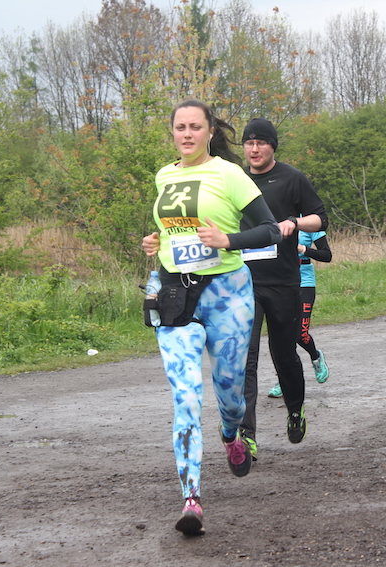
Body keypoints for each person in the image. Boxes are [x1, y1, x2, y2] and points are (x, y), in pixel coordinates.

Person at [141, 100, 281, 535]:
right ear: (172, 132)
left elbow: (270, 230)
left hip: (227, 294)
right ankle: (192, 499)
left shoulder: (229, 174)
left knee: (230, 395)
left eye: (195, 127)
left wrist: (228, 240)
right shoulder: (164, 176)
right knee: (186, 398)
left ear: (209, 132)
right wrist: (156, 242)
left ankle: (231, 433)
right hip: (176, 295)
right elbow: (174, 232)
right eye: (180, 127)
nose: (186, 134)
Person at [239, 118, 329, 457]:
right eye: (249, 143)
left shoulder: (292, 178)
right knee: (245, 359)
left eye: (261, 142)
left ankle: (295, 409)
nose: (255, 149)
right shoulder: (236, 179)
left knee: (284, 355)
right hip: (244, 282)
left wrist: (294, 222)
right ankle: (246, 434)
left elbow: (320, 218)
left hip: (283, 281)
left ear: (272, 146)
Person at [267, 229, 333, 398]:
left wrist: (303, 249)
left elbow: (327, 255)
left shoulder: (311, 224)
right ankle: (284, 380)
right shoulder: (274, 221)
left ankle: (316, 357)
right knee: (281, 337)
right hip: (280, 282)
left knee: (300, 334)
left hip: (304, 282)